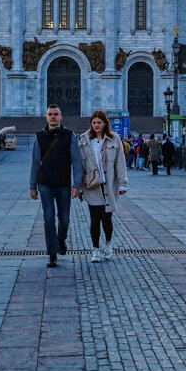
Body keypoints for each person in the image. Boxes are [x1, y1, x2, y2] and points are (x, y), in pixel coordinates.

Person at [30, 104, 83, 268]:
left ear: (61, 117)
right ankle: (52, 253)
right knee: (48, 218)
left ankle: (61, 239)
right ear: (46, 117)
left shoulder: (70, 135)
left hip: (63, 184)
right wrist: (32, 185)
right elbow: (35, 162)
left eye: (55, 114)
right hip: (45, 183)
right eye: (50, 114)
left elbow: (76, 161)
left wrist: (77, 184)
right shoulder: (39, 136)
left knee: (64, 218)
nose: (53, 117)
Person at [77, 110, 128, 263]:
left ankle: (108, 244)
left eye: (99, 122)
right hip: (92, 185)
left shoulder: (114, 139)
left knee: (107, 219)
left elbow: (121, 162)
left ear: (105, 123)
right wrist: (78, 186)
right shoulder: (83, 140)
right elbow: (79, 166)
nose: (97, 125)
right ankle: (95, 250)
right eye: (94, 123)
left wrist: (123, 183)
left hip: (109, 184)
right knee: (94, 219)